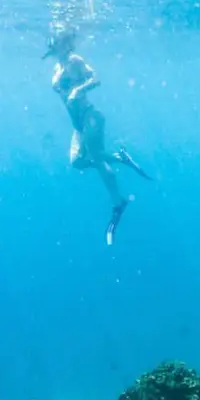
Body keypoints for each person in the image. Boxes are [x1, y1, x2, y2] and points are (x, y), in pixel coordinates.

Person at [43, 29, 151, 245]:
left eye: (59, 41)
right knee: (77, 162)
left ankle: (118, 203)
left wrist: (79, 89)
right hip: (78, 125)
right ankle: (121, 158)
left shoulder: (75, 61)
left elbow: (96, 78)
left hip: (90, 116)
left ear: (66, 43)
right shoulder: (58, 67)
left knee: (98, 158)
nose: (55, 45)